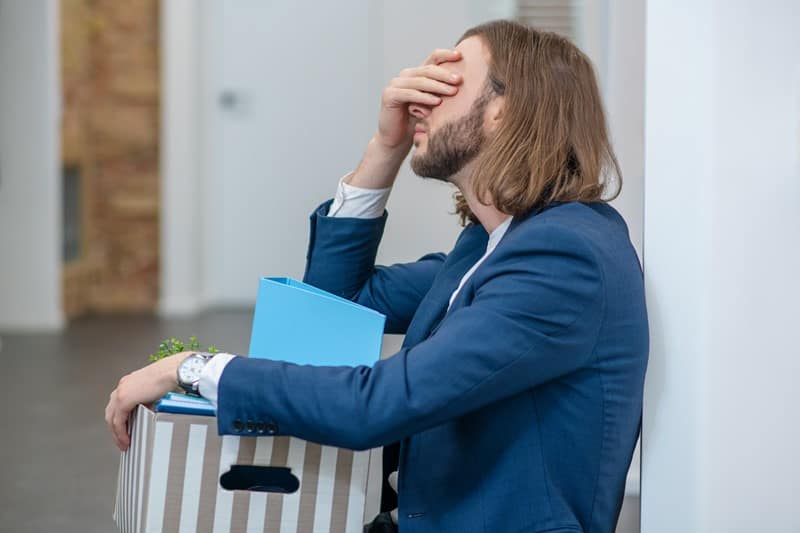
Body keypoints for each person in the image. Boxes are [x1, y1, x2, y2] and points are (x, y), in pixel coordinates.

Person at [106, 19, 648, 533]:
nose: (419, 102)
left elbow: (381, 404)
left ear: (504, 110)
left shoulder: (563, 256)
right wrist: (384, 147)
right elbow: (334, 304)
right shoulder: (492, 245)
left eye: (447, 85)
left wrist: (191, 369)